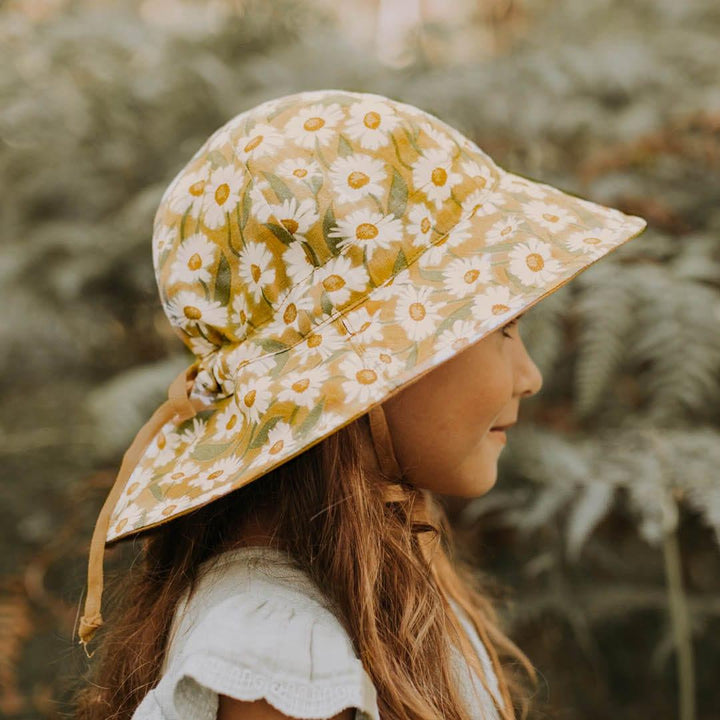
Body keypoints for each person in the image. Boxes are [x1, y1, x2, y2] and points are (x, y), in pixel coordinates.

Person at [72, 89, 648, 720]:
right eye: (502, 328)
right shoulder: (278, 658)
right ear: (377, 365)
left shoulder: (373, 582)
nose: (530, 376)